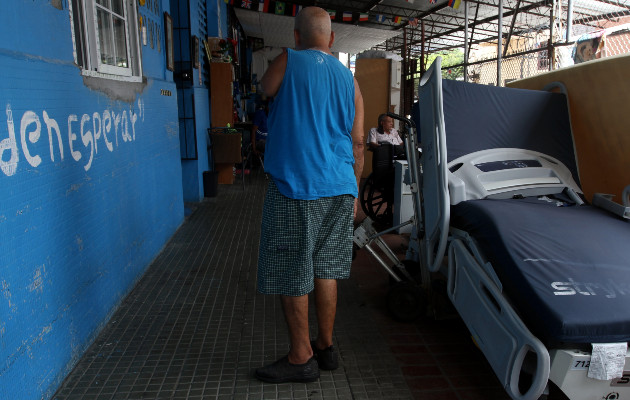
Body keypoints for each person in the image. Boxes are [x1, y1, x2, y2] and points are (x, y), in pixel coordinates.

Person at [254, 6, 364, 383]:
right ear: (332, 39)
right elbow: (359, 140)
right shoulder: (349, 80)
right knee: (326, 268)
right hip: (339, 187)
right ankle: (326, 347)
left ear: (296, 36)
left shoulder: (289, 59)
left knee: (292, 268)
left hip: (297, 187)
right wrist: (354, 191)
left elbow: (264, 89)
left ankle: (301, 357)